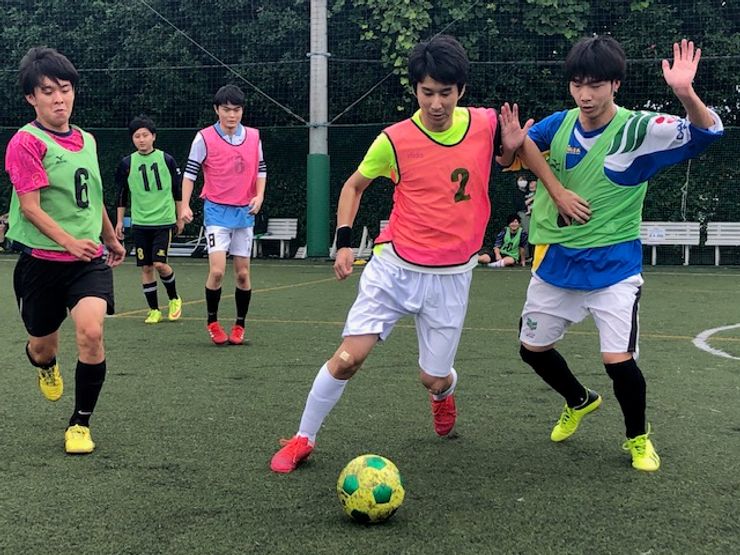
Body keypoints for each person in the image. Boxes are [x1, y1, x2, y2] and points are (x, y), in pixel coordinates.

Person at [270, 34, 589, 473]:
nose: (436, 103)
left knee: (433, 378)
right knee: (347, 359)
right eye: (427, 93)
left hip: (451, 277)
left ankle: (443, 394)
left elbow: (517, 153)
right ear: (415, 90)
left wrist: (535, 169)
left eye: (445, 93)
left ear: (461, 90)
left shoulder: (484, 123)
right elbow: (353, 187)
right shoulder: (393, 140)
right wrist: (343, 242)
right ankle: (303, 438)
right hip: (394, 268)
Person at [518, 37, 723, 472]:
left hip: (614, 267)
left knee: (618, 361)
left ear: (615, 84)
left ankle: (638, 437)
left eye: (595, 85)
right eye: (577, 84)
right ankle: (579, 400)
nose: (585, 95)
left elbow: (707, 132)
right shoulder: (558, 125)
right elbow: (518, 149)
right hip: (557, 261)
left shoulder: (639, 130)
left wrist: (685, 93)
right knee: (531, 349)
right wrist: (550, 185)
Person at [3, 47, 126, 454]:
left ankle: (80, 423)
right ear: (31, 98)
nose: (59, 99)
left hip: (86, 261)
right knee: (43, 347)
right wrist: (68, 241)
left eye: (65, 89)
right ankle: (44, 364)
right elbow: (31, 207)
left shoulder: (87, 140)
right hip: (41, 264)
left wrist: (109, 237)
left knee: (91, 331)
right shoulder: (25, 142)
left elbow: (93, 198)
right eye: (48, 91)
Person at [180, 85, 266, 345]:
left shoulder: (254, 137)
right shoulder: (203, 138)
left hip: (244, 213)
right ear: (217, 110)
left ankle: (240, 325)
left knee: (243, 274)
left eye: (236, 110)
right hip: (216, 211)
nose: (232, 115)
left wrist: (259, 196)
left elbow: (261, 169)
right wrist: (184, 205)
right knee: (217, 271)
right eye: (226, 110)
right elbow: (190, 173)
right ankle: (212, 321)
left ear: (242, 111)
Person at [115, 115, 184, 324]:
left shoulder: (167, 159)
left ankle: (174, 298)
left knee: (160, 264)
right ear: (132, 139)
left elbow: (177, 190)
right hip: (140, 223)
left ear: (153, 136)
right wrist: (120, 221)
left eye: (145, 135)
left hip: (163, 220)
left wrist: (180, 217)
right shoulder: (127, 163)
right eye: (137, 136)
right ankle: (154, 310)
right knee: (146, 267)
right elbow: (121, 195)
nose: (141, 139)